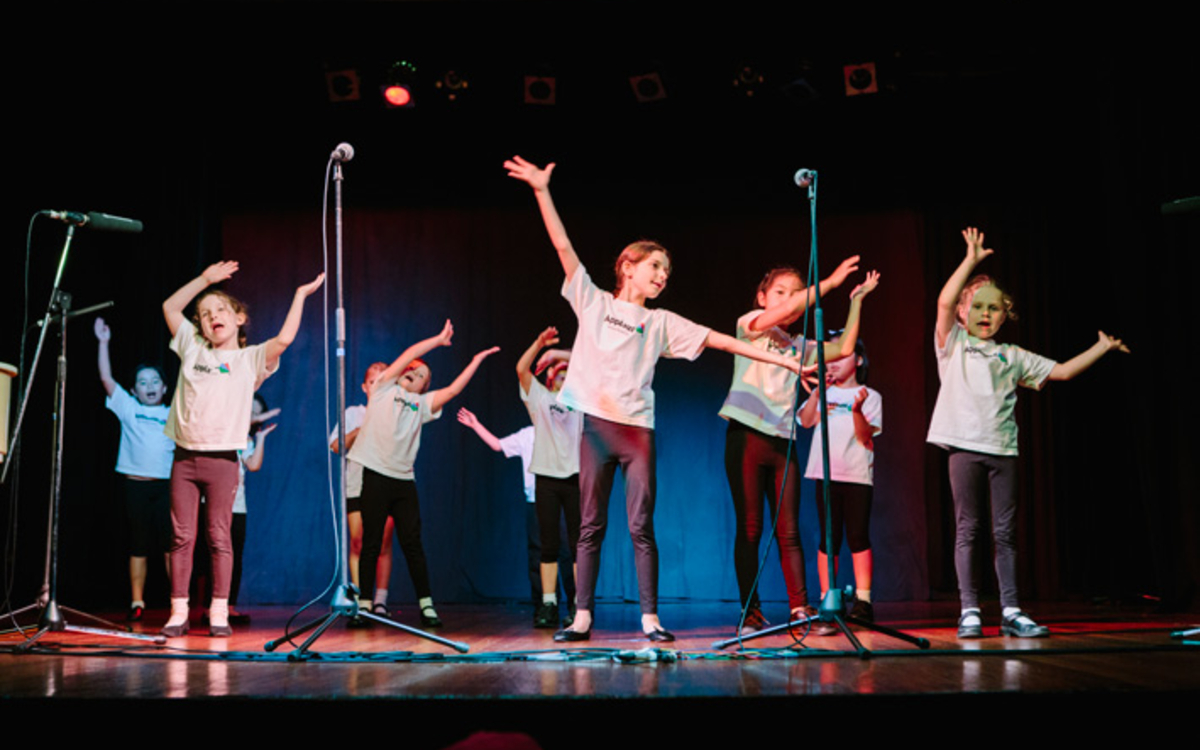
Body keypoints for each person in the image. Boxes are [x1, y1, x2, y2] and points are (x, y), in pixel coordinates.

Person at [505, 155, 804, 643]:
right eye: (655, 266)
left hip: (637, 431)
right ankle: (581, 617)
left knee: (642, 526)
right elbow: (562, 244)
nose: (663, 274)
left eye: (667, 269)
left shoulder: (661, 322)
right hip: (596, 429)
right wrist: (541, 189)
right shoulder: (594, 301)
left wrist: (789, 362)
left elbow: (723, 341)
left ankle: (649, 618)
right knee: (589, 526)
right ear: (627, 266)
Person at [929, 227, 1129, 638]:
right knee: (969, 528)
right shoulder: (953, 344)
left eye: (995, 308)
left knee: (1005, 533)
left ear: (1006, 314)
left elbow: (1062, 372)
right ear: (965, 313)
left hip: (1004, 450)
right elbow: (944, 301)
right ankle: (969, 610)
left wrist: (1101, 348)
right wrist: (970, 261)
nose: (985, 314)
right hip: (964, 448)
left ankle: (1011, 609)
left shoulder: (1012, 355)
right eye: (977, 306)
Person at [160, 260, 323, 637]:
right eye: (203, 314)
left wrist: (300, 295)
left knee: (219, 535)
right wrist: (203, 279)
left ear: (238, 318)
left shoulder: (249, 359)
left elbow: (283, 341)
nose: (210, 317)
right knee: (181, 536)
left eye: (219, 310)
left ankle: (219, 611)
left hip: (222, 460)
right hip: (185, 458)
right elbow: (170, 307)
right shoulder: (192, 346)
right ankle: (178, 611)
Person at [721, 266, 880, 633]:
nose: (790, 300)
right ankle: (750, 611)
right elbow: (779, 314)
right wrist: (829, 284)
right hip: (746, 435)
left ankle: (798, 607)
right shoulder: (750, 325)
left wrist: (854, 301)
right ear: (762, 299)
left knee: (789, 531)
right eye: (781, 293)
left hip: (783, 441)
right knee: (749, 528)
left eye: (797, 293)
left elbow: (842, 348)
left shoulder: (800, 346)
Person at [347, 320, 498, 628]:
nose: (414, 373)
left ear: (423, 387)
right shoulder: (382, 388)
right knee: (370, 541)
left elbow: (454, 389)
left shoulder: (422, 404)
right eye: (412, 369)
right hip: (375, 475)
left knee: (412, 543)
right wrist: (438, 340)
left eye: (422, 376)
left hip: (403, 482)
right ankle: (363, 606)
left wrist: (475, 361)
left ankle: (426, 605)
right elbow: (409, 354)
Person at [798, 337, 881, 633]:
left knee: (858, 537)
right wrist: (818, 394)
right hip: (826, 474)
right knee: (828, 539)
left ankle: (863, 600)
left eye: (843, 355)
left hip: (857, 475)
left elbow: (864, 436)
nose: (833, 361)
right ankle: (827, 600)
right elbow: (806, 422)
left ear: (858, 360)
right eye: (830, 357)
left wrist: (856, 410)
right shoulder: (825, 393)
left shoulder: (870, 395)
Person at [94, 317, 175, 622]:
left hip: (166, 487)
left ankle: (176, 600)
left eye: (155, 381)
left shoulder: (172, 413)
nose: (150, 386)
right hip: (135, 486)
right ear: (134, 390)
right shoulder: (129, 408)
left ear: (165, 388)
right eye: (143, 382)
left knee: (171, 546)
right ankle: (136, 601)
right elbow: (105, 378)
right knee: (138, 544)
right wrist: (104, 341)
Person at [329, 362, 397, 618]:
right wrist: (362, 427)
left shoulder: (396, 411)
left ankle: (380, 600)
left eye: (383, 381)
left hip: (387, 483)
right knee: (357, 542)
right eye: (372, 382)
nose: (377, 386)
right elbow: (336, 446)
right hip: (356, 485)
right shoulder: (354, 413)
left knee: (382, 544)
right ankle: (359, 601)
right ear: (364, 386)